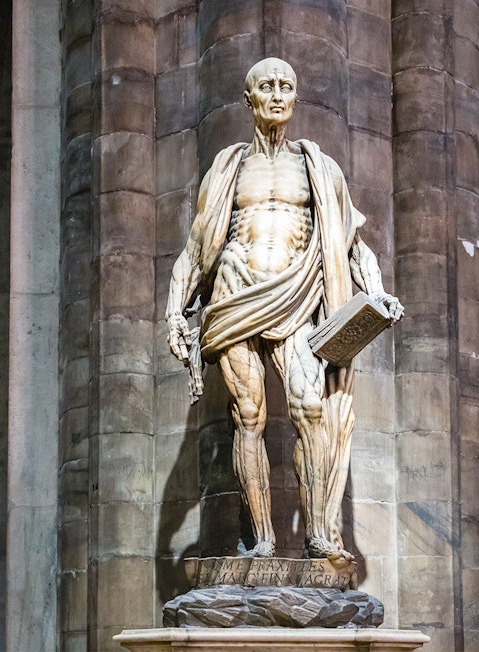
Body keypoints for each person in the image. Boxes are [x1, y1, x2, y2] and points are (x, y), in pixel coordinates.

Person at [166, 58, 403, 562]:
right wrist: (173, 313)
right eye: (266, 87)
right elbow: (194, 249)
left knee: (310, 407)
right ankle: (261, 541)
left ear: (295, 98)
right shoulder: (229, 167)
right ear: (248, 97)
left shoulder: (317, 166)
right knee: (247, 416)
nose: (277, 95)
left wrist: (376, 290)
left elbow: (351, 244)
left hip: (297, 294)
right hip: (235, 290)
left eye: (286, 87)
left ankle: (319, 534)